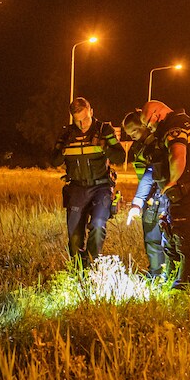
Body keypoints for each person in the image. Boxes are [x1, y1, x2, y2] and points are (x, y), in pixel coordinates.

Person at [121, 101, 190, 289]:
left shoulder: (173, 128)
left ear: (156, 115)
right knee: (172, 238)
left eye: (148, 124)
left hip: (185, 191)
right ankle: (169, 279)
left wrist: (172, 183)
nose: (150, 128)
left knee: (184, 242)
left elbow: (178, 155)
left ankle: (183, 286)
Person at [51, 97, 125, 267]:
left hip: (101, 186)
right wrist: (63, 149)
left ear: (91, 112)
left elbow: (120, 156)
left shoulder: (104, 129)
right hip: (77, 187)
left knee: (98, 225)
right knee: (74, 236)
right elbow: (53, 161)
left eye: (85, 119)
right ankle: (78, 270)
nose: (82, 124)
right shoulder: (66, 133)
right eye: (78, 121)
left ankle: (92, 264)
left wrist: (103, 145)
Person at [124, 137, 169, 279]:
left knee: (161, 240)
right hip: (152, 197)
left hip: (162, 197)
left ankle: (162, 275)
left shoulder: (158, 144)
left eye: (136, 132)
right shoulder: (141, 147)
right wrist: (138, 203)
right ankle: (157, 274)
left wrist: (137, 202)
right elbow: (148, 174)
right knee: (152, 237)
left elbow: (150, 173)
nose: (134, 136)